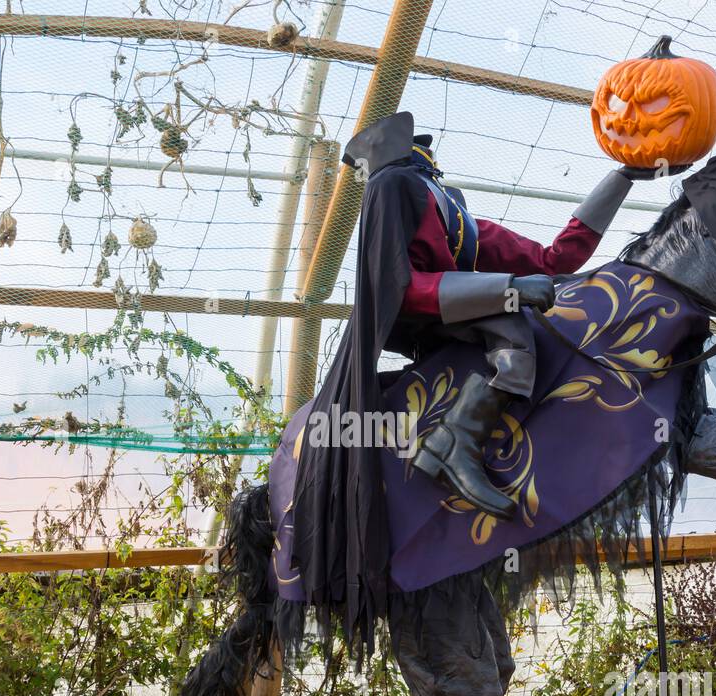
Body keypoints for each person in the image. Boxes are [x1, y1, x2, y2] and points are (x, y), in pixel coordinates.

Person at [289, 111, 675, 650]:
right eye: (415, 141)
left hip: (459, 316)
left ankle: (467, 439)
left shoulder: (450, 206)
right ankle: (454, 444)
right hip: (423, 316)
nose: (427, 146)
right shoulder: (394, 185)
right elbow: (397, 287)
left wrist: (622, 177)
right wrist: (507, 289)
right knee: (517, 328)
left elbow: (553, 260)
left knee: (527, 320)